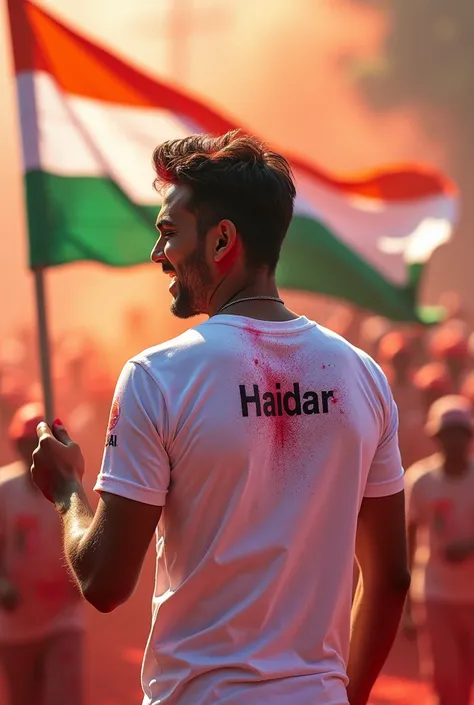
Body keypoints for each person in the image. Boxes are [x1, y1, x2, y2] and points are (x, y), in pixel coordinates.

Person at [31, 130, 409, 705]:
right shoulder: (362, 376)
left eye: (167, 232)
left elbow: (104, 580)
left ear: (222, 240)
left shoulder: (159, 375)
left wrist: (64, 491)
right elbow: (392, 578)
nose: (158, 255)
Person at [0, 403, 84, 705]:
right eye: (27, 445)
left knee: (64, 696)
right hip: (15, 623)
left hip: (63, 618)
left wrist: (82, 576)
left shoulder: (71, 488)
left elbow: (83, 534)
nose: (34, 452)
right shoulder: (4, 490)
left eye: (39, 444)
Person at [404, 395, 474, 705]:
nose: (454, 441)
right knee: (446, 681)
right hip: (434, 593)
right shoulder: (420, 481)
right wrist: (404, 602)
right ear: (436, 437)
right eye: (448, 434)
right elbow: (408, 537)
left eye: (460, 433)